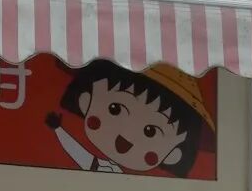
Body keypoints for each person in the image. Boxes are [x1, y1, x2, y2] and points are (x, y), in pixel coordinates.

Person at [46, 61, 212, 175]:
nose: (127, 136)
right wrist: (58, 129)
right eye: (115, 109)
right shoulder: (97, 165)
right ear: (85, 100)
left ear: (173, 154)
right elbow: (77, 153)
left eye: (151, 131)